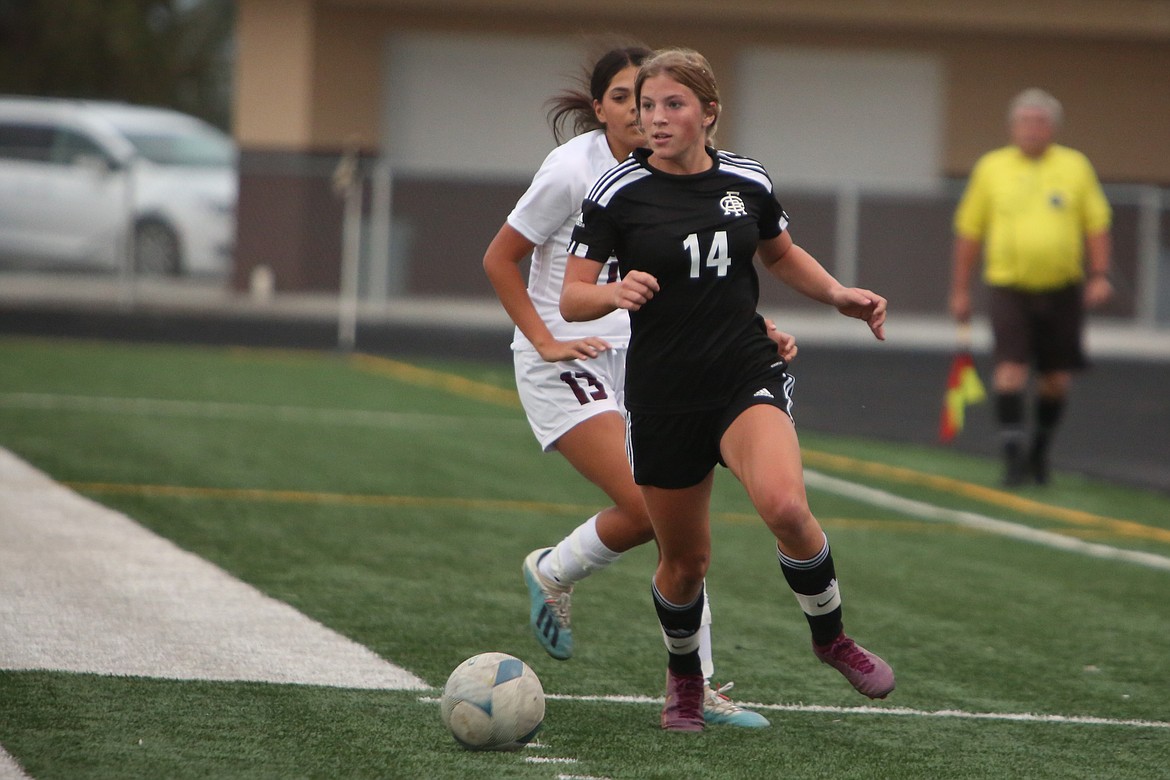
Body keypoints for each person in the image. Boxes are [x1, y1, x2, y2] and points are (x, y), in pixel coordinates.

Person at [560, 48, 895, 732]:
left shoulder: (747, 180)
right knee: (685, 563)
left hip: (744, 375)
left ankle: (831, 637)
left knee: (785, 507)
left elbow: (778, 253)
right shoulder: (617, 193)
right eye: (647, 106)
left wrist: (837, 294)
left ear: (709, 114)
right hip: (662, 396)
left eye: (672, 105)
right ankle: (684, 681)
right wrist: (611, 292)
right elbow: (570, 297)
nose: (656, 119)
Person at [483, 44, 795, 728]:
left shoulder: (678, 172)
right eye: (626, 99)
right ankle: (694, 686)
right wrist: (543, 340)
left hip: (646, 359)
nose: (643, 112)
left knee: (666, 524)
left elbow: (707, 273)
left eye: (652, 99)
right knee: (658, 518)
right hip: (563, 361)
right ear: (600, 109)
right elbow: (500, 258)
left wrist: (756, 327)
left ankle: (555, 572)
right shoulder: (573, 170)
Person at [950, 88, 1113, 487]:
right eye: (1025, 121)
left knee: (1056, 378)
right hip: (1010, 287)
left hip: (1062, 289)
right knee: (1010, 372)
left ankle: (1040, 451)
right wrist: (960, 289)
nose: (1032, 129)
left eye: (1040, 122)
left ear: (1052, 128)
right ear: (1012, 127)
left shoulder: (1075, 166)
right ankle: (1011, 456)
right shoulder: (992, 168)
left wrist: (1099, 274)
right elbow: (970, 230)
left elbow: (1096, 223)